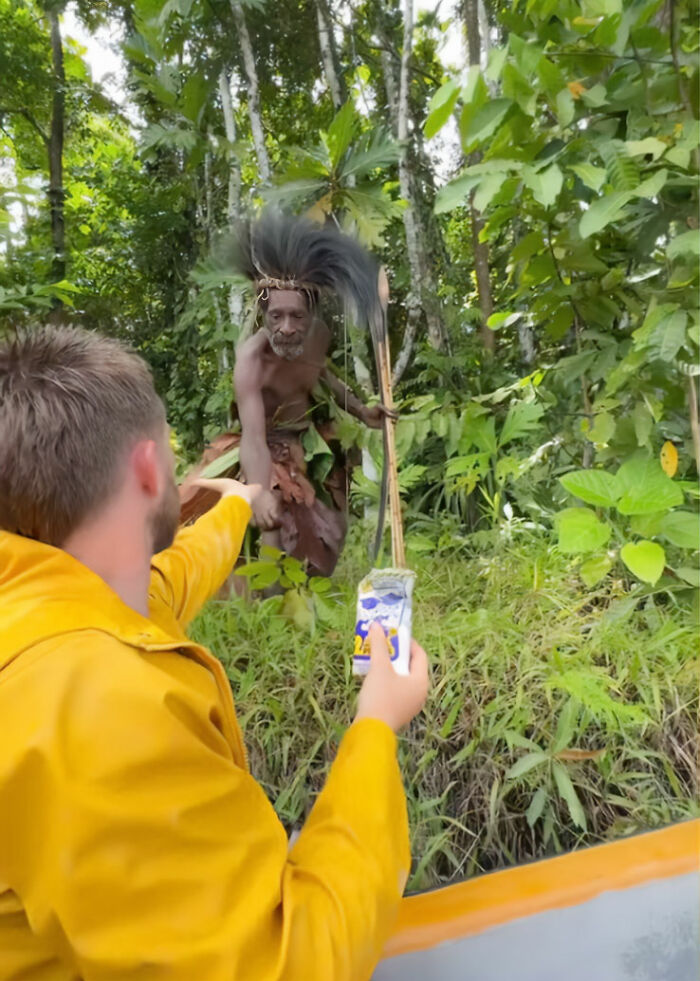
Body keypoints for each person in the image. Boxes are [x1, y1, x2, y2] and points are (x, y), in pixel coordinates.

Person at [0, 325, 429, 980]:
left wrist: (237, 503)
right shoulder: (89, 706)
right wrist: (377, 719)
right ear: (149, 467)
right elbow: (291, 964)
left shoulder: (54, 604)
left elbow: (174, 573)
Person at [179, 212, 396, 577]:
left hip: (306, 439)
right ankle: (269, 604)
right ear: (263, 312)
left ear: (310, 313)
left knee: (328, 528)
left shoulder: (319, 336)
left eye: (296, 316)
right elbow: (253, 436)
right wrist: (260, 489)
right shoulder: (251, 361)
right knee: (273, 517)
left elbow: (322, 375)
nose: (287, 328)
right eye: (277, 316)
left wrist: (362, 411)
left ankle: (308, 589)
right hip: (262, 446)